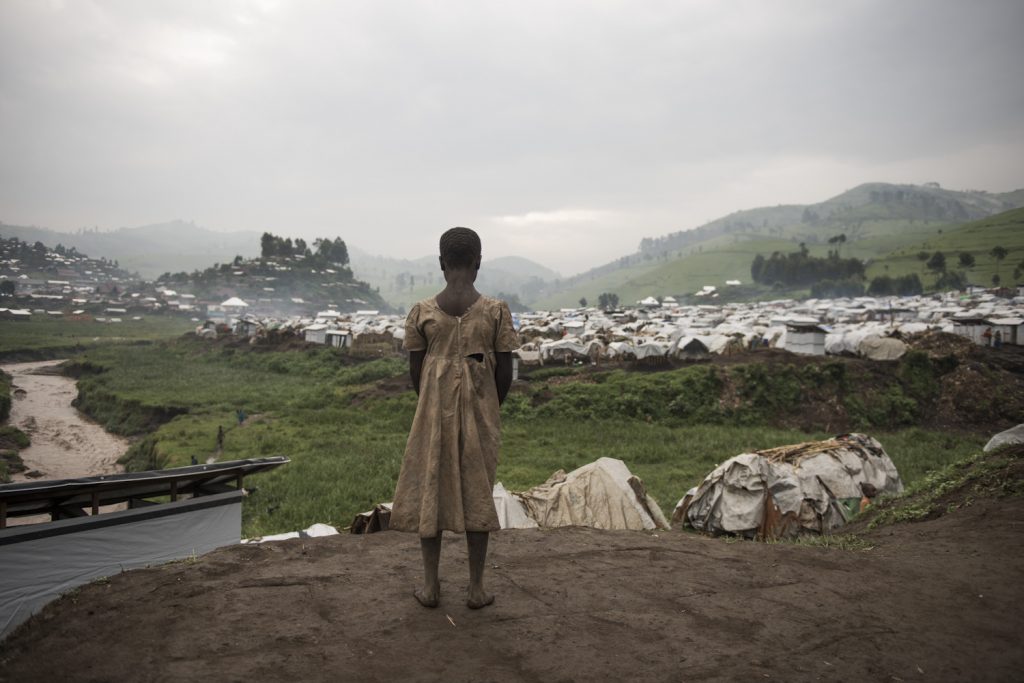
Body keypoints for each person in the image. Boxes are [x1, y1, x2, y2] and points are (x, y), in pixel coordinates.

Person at [390, 227, 516, 610]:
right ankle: (476, 589)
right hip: (482, 416)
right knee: (479, 492)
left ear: (441, 264)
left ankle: (431, 587)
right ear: (478, 263)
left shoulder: (422, 312)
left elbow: (416, 374)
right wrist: (486, 407)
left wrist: (436, 400)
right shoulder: (495, 311)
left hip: (432, 415)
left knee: (432, 489)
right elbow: (506, 374)